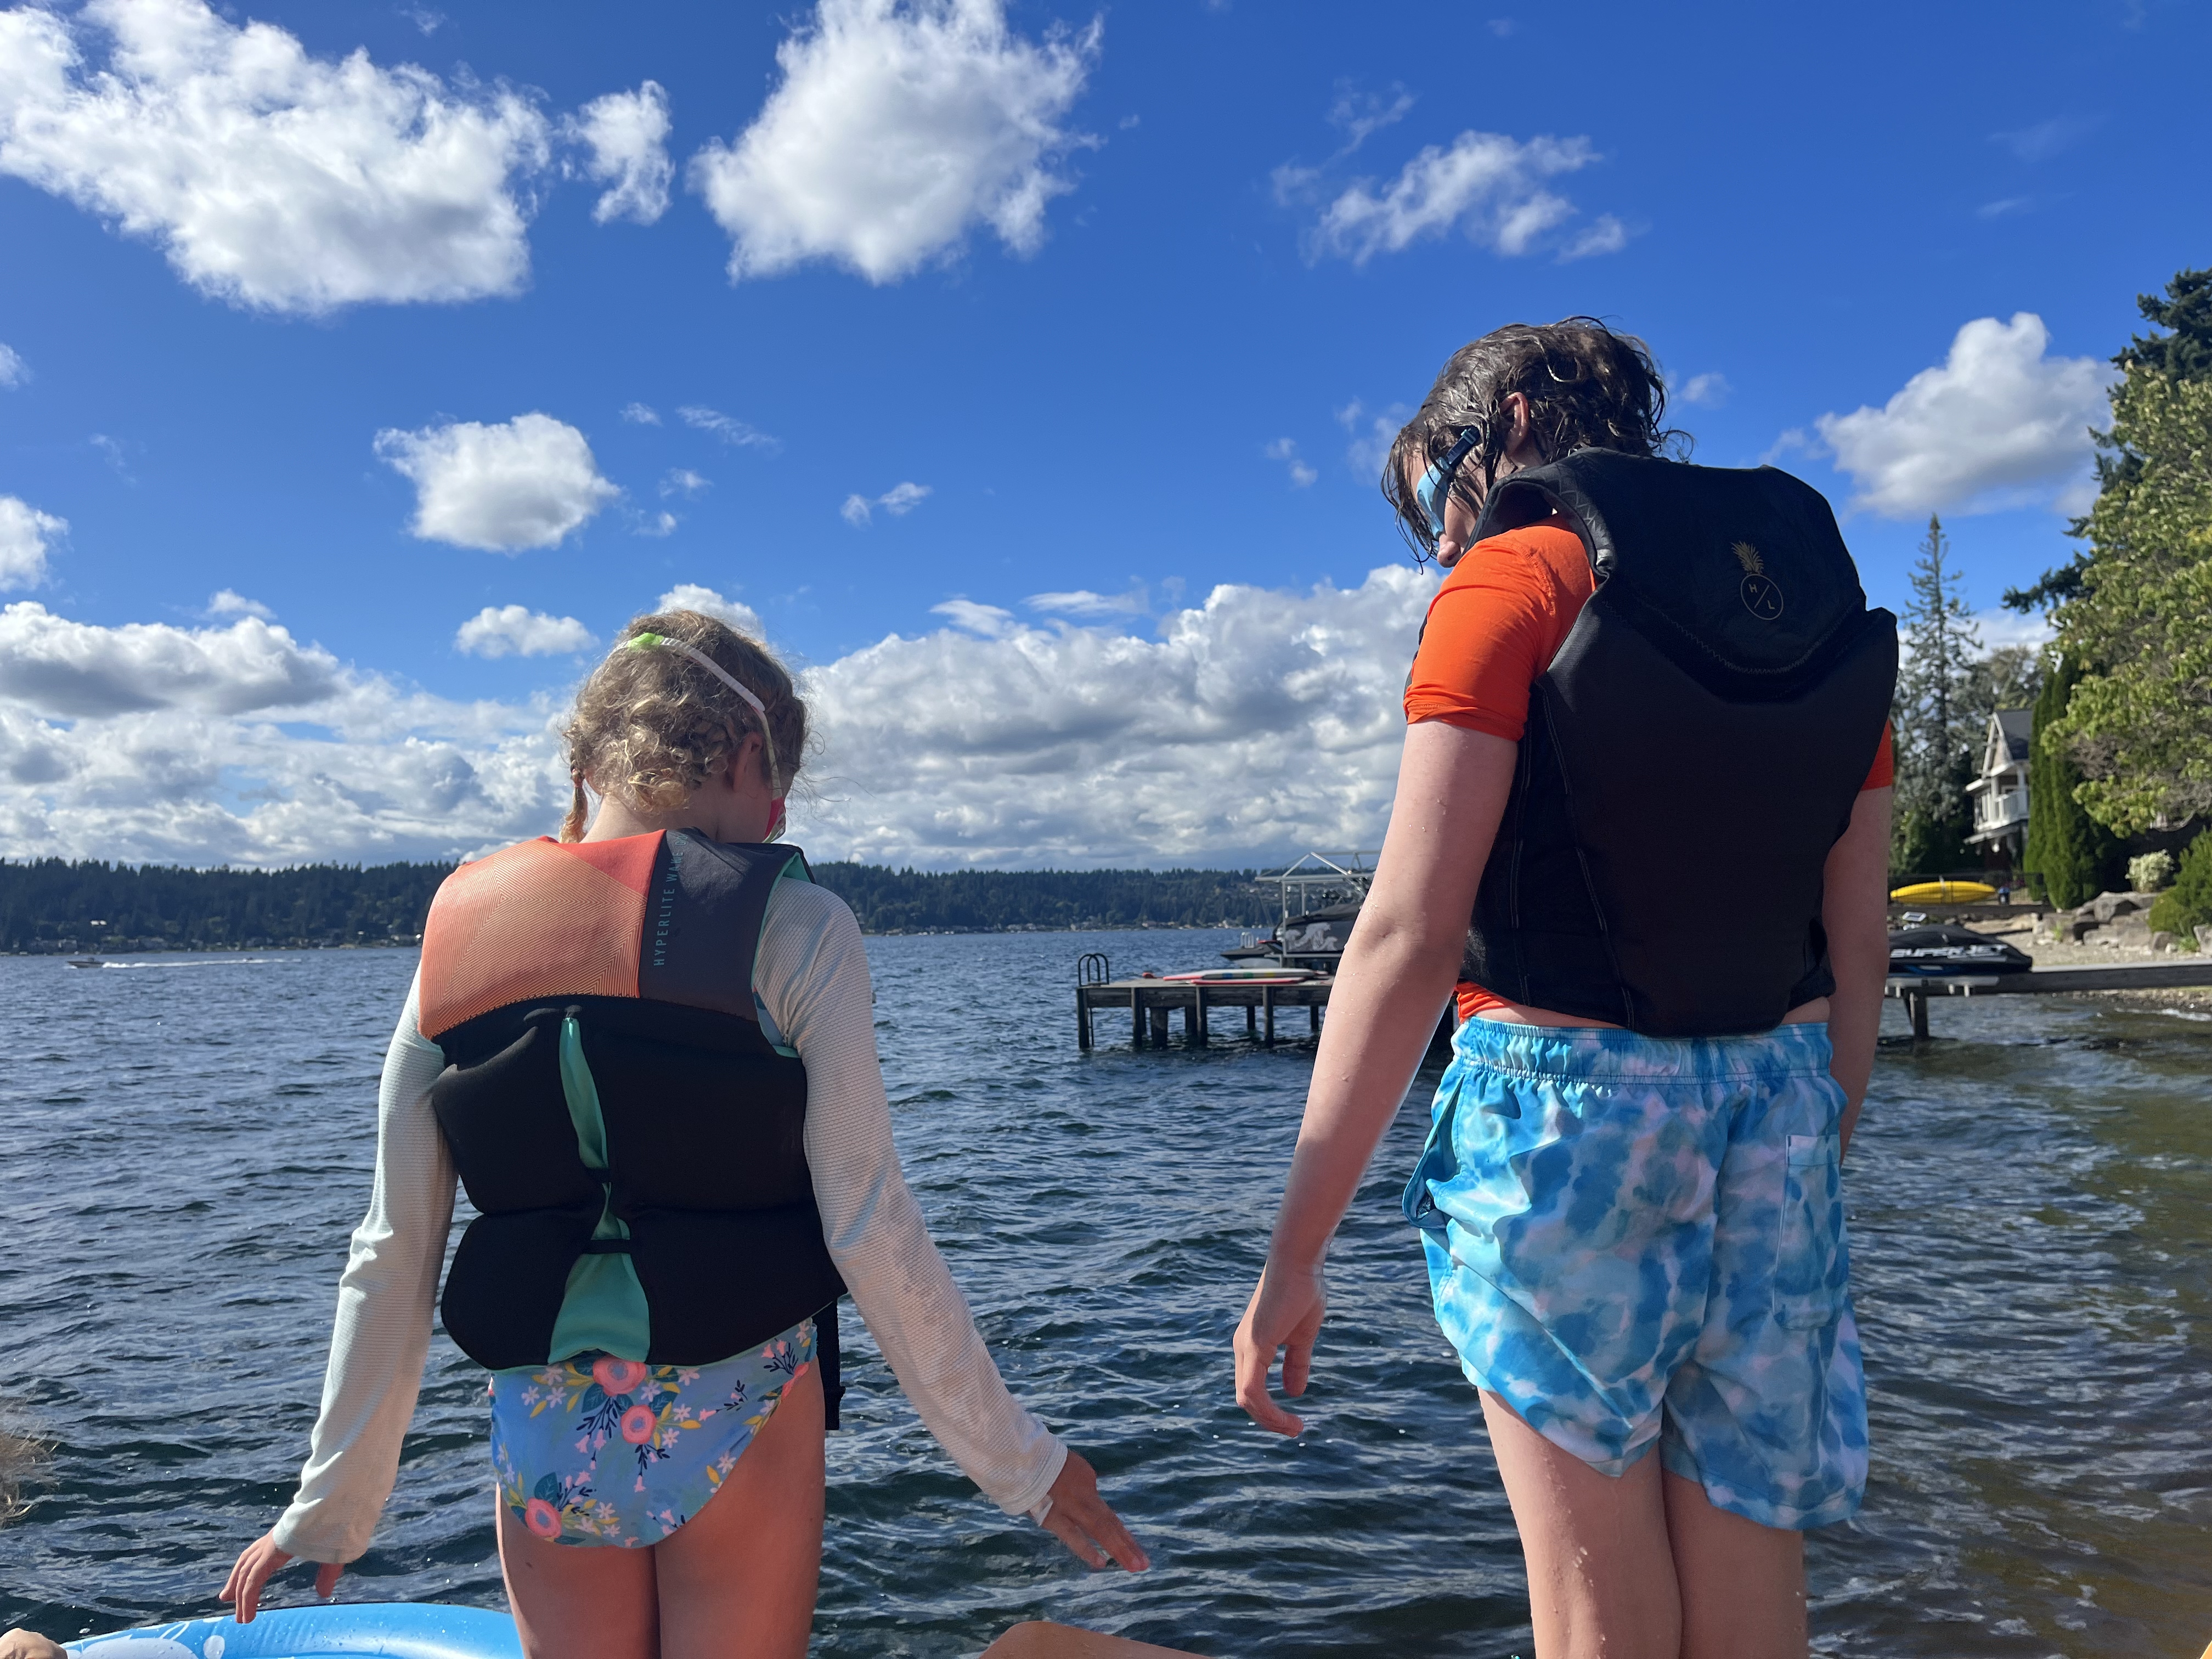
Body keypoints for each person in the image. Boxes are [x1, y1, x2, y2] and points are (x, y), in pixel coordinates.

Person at [222, 610, 1147, 1659]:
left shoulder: (456, 935)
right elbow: (870, 1222)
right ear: (745, 756)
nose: (779, 815)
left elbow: (394, 1245)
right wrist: (1020, 1464)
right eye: (778, 785)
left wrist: (336, 1503)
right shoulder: (797, 927)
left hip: (546, 1418)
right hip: (734, 1394)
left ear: (589, 758)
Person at [1233, 320, 1895, 1659]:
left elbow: (1410, 933)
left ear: (1514, 424)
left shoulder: (1513, 582)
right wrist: (1816, 1147)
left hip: (1563, 1125)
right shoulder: (1814, 608)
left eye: (1433, 496)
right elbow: (1859, 936)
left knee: (1596, 1596)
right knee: (1751, 1560)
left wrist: (1294, 1258)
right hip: (1780, 1108)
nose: (1436, 540)